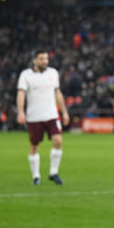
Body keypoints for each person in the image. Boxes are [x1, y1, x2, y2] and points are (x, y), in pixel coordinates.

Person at [17, 50, 70, 185]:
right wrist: (20, 112)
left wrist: (64, 112)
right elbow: (21, 94)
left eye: (46, 59)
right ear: (34, 60)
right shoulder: (26, 75)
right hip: (34, 116)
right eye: (41, 59)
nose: (45, 61)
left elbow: (58, 93)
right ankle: (36, 176)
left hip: (51, 115)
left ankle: (54, 173)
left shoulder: (53, 73)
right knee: (34, 145)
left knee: (58, 141)